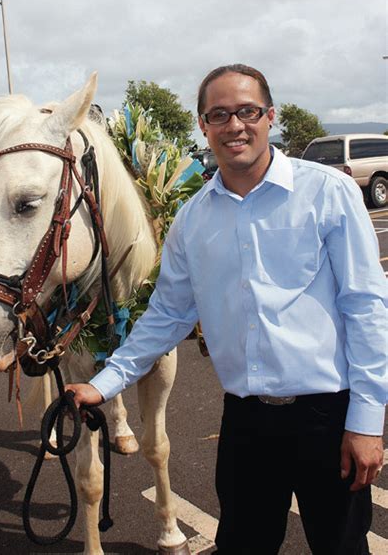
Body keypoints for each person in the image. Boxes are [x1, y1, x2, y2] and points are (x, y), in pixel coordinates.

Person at [66, 64, 386, 554]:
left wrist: (366, 421)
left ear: (270, 116)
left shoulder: (328, 192)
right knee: (242, 545)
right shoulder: (193, 220)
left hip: (327, 417)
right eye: (219, 115)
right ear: (204, 126)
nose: (235, 125)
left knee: (341, 547)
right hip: (246, 425)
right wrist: (103, 384)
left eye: (247, 111)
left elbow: (365, 307)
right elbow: (166, 316)